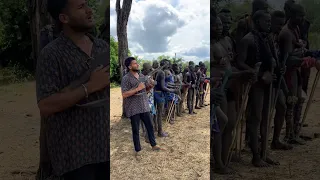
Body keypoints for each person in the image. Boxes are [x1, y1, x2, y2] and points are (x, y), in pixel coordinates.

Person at [36, 0, 109, 179]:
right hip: (74, 155)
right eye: (81, 7)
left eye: (87, 5)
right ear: (64, 18)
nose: (89, 11)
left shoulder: (103, 47)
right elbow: (45, 105)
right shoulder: (51, 54)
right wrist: (90, 86)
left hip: (105, 147)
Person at [121, 57, 162, 158]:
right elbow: (124, 94)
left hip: (144, 106)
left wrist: (150, 86)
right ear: (129, 67)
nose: (137, 65)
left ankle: (153, 144)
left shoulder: (142, 76)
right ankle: (138, 150)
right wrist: (137, 88)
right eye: (135, 64)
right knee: (136, 129)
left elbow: (145, 90)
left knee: (150, 126)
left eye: (137, 63)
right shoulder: (126, 78)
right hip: (133, 108)